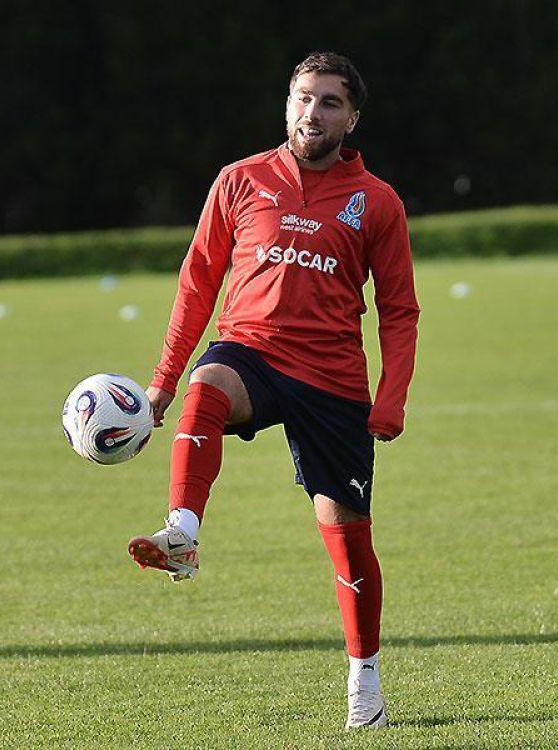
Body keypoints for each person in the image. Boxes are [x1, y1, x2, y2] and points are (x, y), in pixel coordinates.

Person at [127, 51, 419, 730]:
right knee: (206, 385)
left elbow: (399, 309)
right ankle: (183, 533)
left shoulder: (377, 202)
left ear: (352, 119)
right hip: (251, 352)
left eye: (329, 103)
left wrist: (392, 396)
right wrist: (163, 380)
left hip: (332, 380)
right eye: (302, 98)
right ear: (287, 104)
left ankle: (365, 679)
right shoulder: (241, 180)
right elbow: (198, 281)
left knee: (347, 538)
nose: (312, 113)